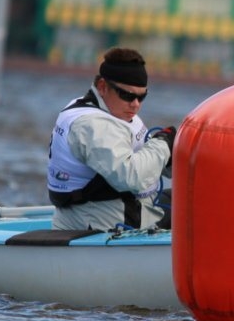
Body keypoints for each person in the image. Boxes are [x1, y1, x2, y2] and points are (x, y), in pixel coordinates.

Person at [47, 47, 176, 232]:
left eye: (141, 97)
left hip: (131, 208)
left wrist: (173, 154)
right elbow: (130, 176)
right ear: (102, 87)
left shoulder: (112, 111)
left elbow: (146, 161)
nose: (135, 104)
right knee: (200, 210)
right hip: (108, 225)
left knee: (197, 197)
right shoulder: (93, 125)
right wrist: (163, 144)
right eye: (127, 95)